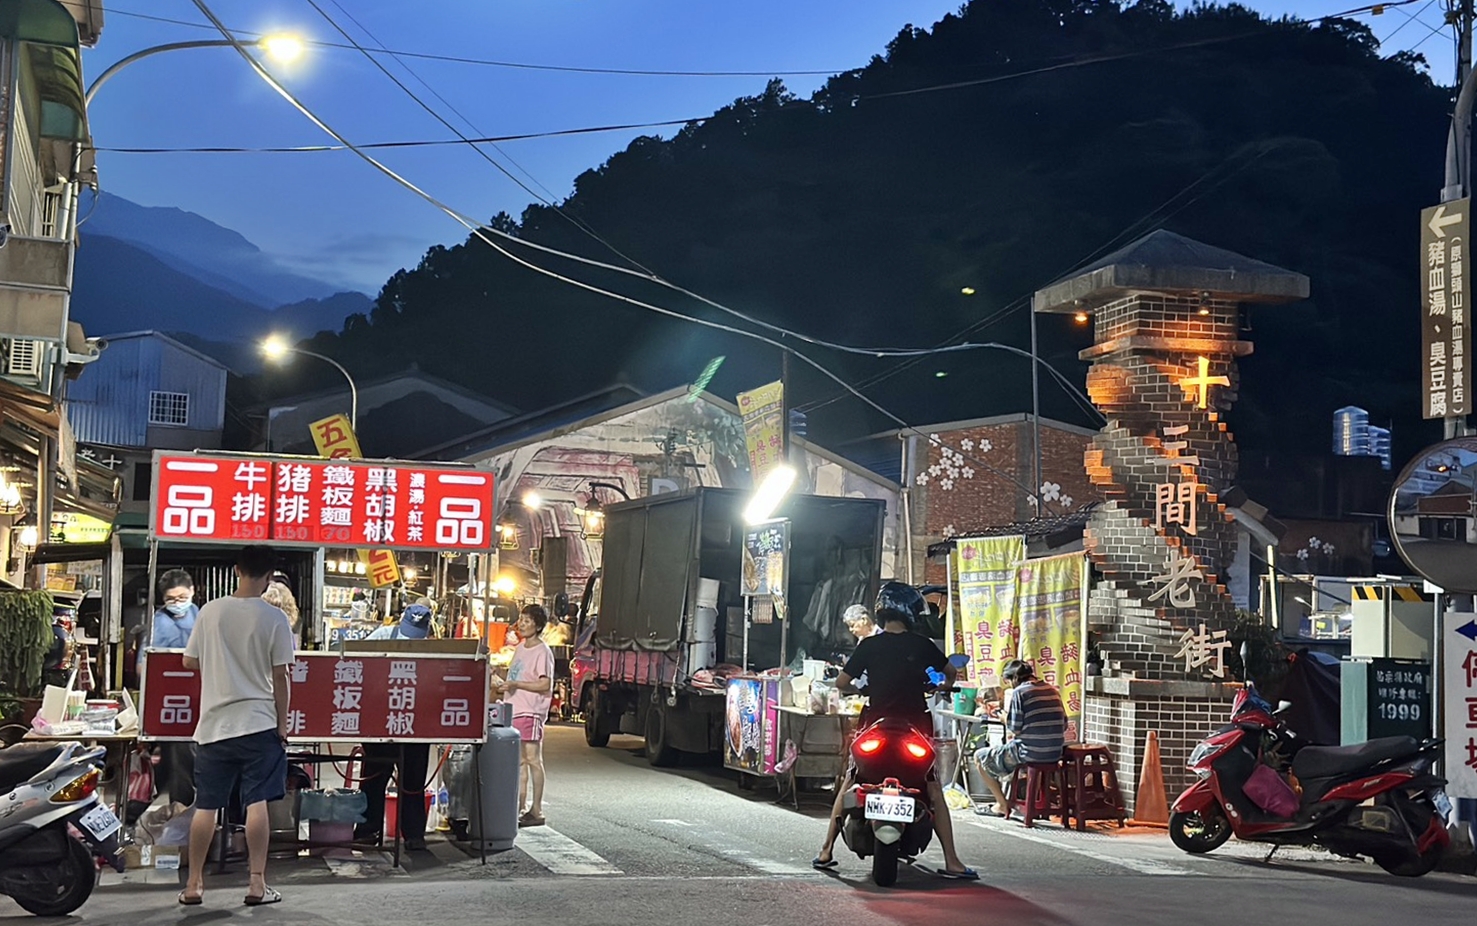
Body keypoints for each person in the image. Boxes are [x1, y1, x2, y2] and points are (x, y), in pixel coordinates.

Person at [813, 582, 977, 880]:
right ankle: (952, 861)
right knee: (932, 787)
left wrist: (861, 689)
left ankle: (826, 850)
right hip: (915, 728)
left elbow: (841, 683)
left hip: (875, 725)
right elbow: (950, 673)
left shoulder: (869, 645)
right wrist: (941, 686)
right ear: (910, 611)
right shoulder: (922, 644)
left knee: (852, 779)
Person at [179, 546, 295, 908]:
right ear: (270, 577)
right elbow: (281, 676)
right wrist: (282, 724)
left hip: (214, 726)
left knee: (206, 806)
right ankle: (256, 883)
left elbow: (188, 661)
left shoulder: (210, 611)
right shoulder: (275, 618)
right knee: (256, 802)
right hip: (258, 723)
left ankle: (194, 885)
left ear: (236, 570)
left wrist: (220, 663)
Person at [356, 603, 435, 850]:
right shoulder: (382, 635)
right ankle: (368, 830)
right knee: (374, 777)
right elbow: (357, 661)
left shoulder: (433, 648)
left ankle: (413, 834)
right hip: (381, 720)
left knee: (413, 780)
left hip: (415, 723)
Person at [973, 659, 1066, 819]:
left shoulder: (1020, 692)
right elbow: (1064, 724)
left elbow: (1015, 728)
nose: (1010, 686)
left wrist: (1004, 718)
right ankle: (1031, 803)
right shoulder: (1052, 690)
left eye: (1009, 682)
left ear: (1014, 678)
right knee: (1013, 750)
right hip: (1055, 752)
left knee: (979, 757)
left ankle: (1001, 805)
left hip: (1029, 752)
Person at [491, 604, 553, 827]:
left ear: (538, 625)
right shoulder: (520, 648)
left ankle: (536, 810)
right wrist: (501, 683)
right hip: (514, 709)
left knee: (532, 759)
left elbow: (545, 684)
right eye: (521, 619)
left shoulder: (542, 651)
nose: (522, 624)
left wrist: (516, 684)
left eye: (527, 621)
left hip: (530, 711)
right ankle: (518, 808)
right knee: (518, 762)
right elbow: (514, 678)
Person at [148, 569, 199, 806]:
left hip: (201, 698)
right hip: (170, 703)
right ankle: (179, 808)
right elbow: (144, 666)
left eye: (182, 597)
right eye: (171, 599)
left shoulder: (202, 617)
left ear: (192, 592)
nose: (177, 603)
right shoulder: (157, 623)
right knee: (178, 755)